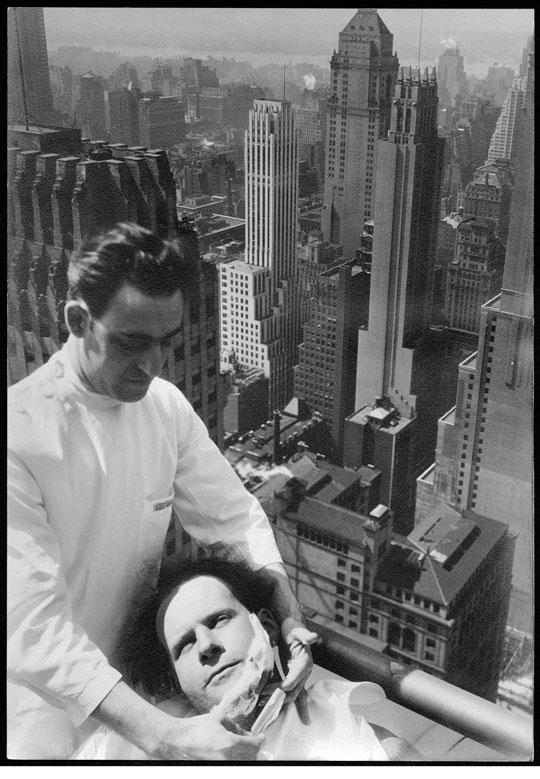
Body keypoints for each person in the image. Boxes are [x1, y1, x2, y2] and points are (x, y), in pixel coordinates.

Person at [7, 222, 316, 760]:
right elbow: (33, 624)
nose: (152, 364)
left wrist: (287, 612)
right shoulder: (19, 434)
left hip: (144, 692)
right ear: (78, 322)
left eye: (164, 342)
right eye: (132, 343)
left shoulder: (165, 406)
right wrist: (165, 737)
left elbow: (233, 520)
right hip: (41, 714)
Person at [73, 557, 421, 761]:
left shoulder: (366, 748)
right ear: (173, 677)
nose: (207, 645)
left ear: (265, 627)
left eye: (219, 620)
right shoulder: (116, 749)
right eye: (184, 645)